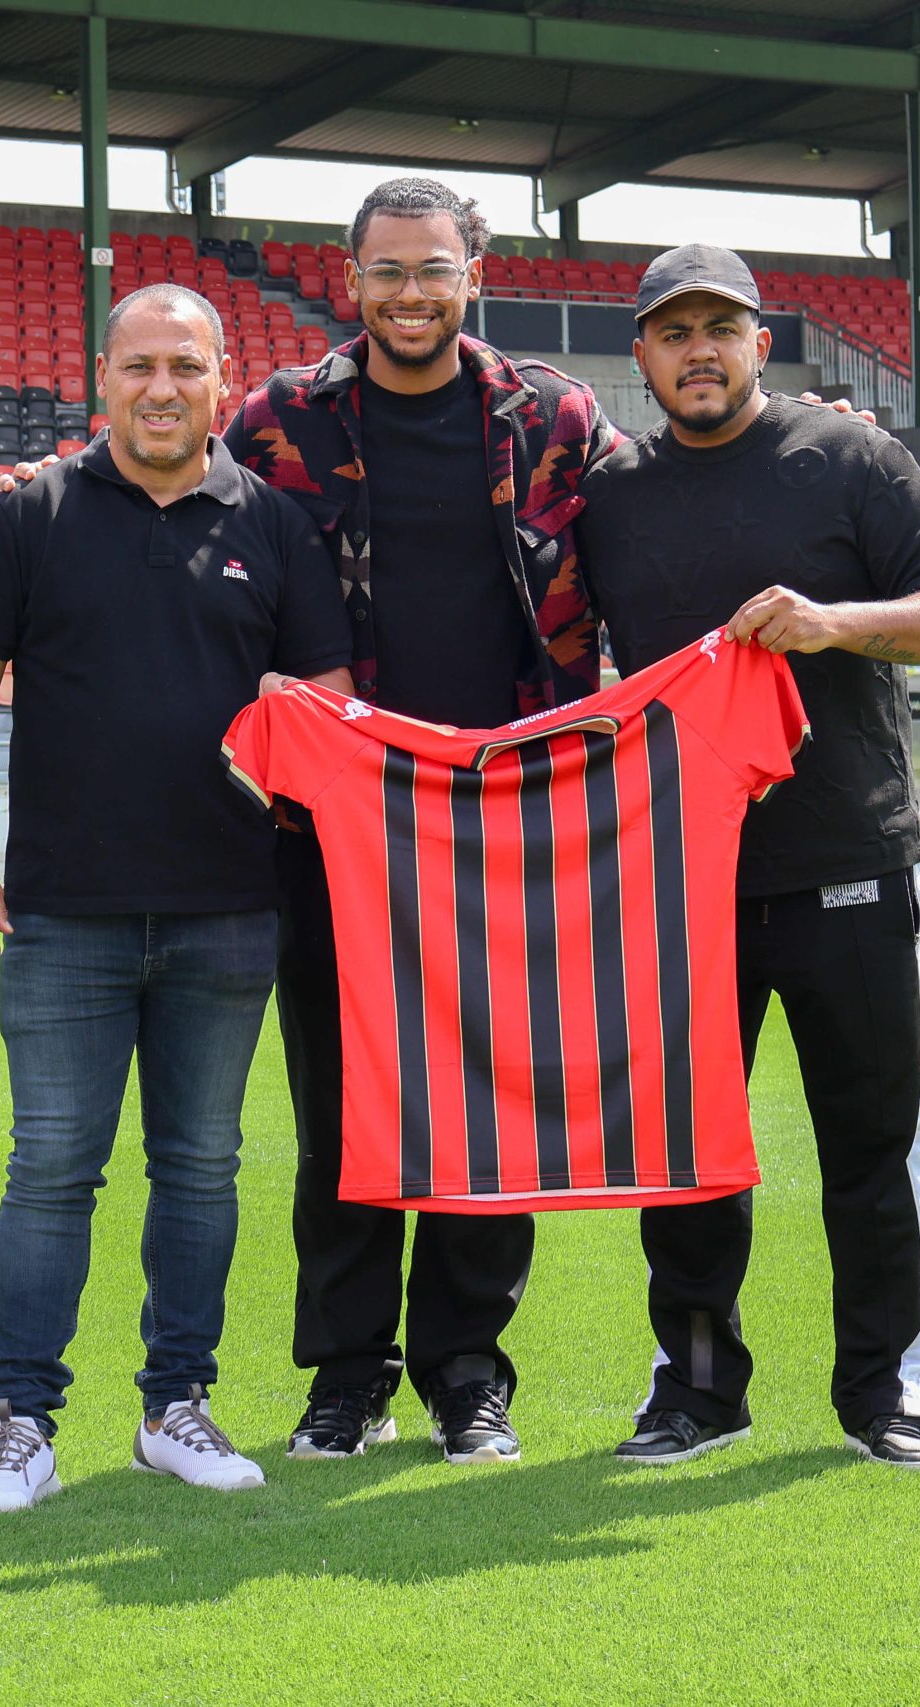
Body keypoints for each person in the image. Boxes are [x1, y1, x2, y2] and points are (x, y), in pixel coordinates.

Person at [0, 284, 356, 1514]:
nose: (161, 388)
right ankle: (20, 1422)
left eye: (184, 365)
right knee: (51, 1168)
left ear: (224, 380)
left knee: (202, 1168)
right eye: (139, 366)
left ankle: (176, 1406)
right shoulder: (30, 516)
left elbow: (328, 704)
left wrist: (307, 750)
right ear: (101, 379)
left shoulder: (276, 526)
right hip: (63, 910)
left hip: (228, 906)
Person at [225, 178, 619, 1466]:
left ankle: (465, 1375)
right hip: (332, 824)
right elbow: (185, 531)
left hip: (511, 820)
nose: (409, 292)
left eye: (433, 268)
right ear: (349, 279)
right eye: (387, 269)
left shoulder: (553, 416)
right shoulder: (276, 421)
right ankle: (347, 1378)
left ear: (472, 275)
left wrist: (810, 432)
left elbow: (666, 508)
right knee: (340, 1110)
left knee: (487, 1106)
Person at [577, 244, 920, 1472]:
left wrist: (831, 623)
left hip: (846, 857)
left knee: (869, 1147)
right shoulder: (610, 495)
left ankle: (884, 1390)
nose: (698, 351)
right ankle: (697, 1390)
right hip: (678, 876)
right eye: (673, 332)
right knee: (687, 1157)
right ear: (642, 356)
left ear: (761, 344)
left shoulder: (851, 457)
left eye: (721, 328)